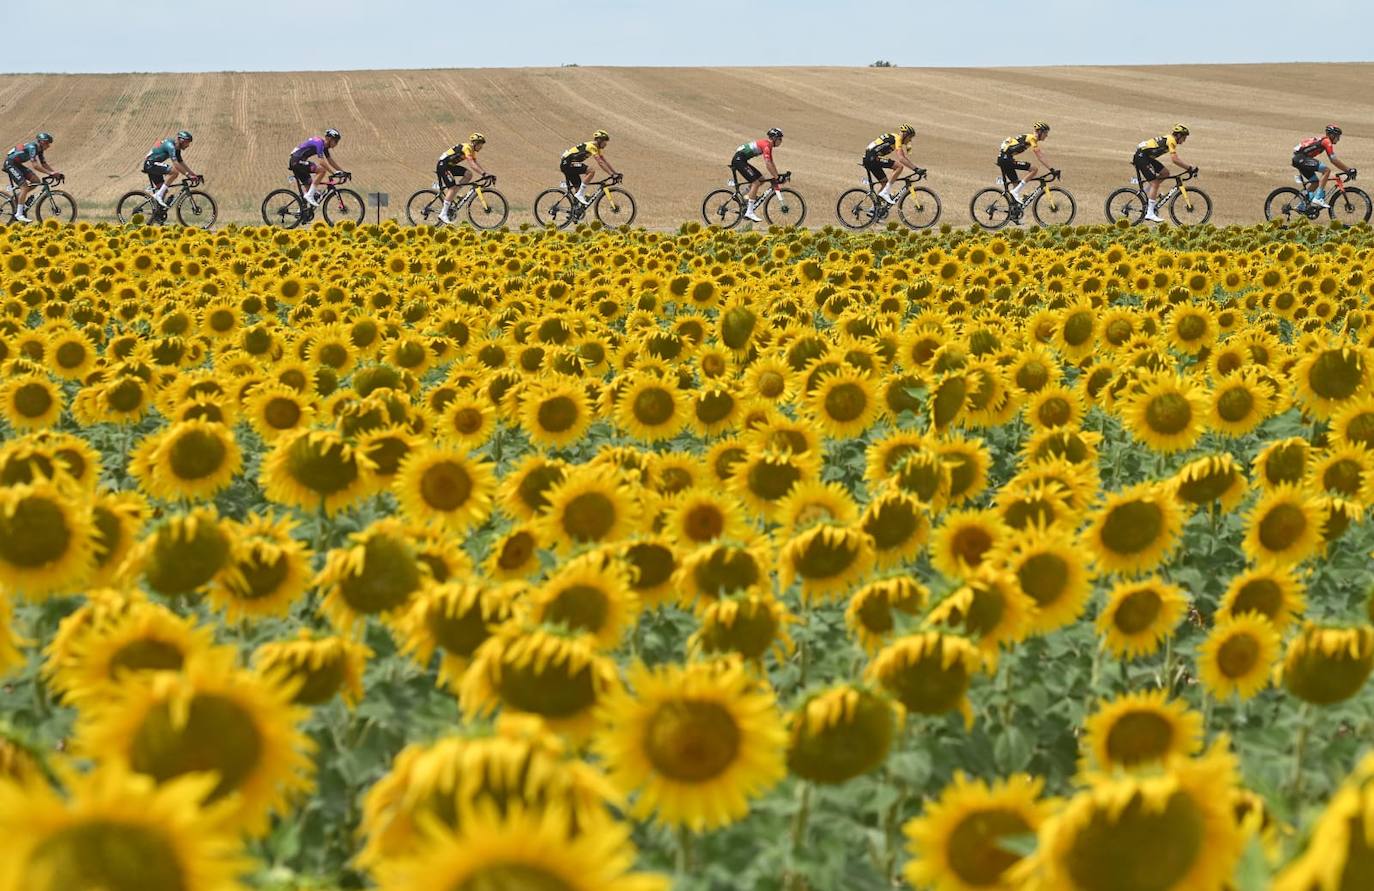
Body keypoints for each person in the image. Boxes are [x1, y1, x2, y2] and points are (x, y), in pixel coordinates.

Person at [1133, 124, 1194, 222]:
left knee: (1165, 173)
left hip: (1146, 157)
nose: (1184, 140)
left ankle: (1148, 191)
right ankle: (1150, 213)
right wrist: (1189, 168)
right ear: (1178, 136)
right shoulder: (1171, 141)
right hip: (1141, 156)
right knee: (1155, 183)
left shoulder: (1170, 139)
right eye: (1184, 137)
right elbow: (1175, 160)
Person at [1293, 124, 1353, 209]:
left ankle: (1302, 205)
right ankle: (1318, 198)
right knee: (1326, 170)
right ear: (1332, 135)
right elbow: (1333, 160)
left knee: (1315, 182)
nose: (1338, 139)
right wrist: (1348, 170)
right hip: (1301, 158)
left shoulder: (1323, 140)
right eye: (1337, 136)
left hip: (1299, 158)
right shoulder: (1326, 141)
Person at [4, 132, 60, 223]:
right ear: (41, 142)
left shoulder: (39, 150)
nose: (49, 146)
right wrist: (50, 173)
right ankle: (19, 214)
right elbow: (35, 165)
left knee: (36, 181)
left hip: (17, 164)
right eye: (47, 143)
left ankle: (19, 198)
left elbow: (44, 164)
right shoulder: (32, 147)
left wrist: (54, 173)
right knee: (24, 187)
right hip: (10, 164)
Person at [732, 127, 784, 222]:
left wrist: (778, 175)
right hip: (739, 160)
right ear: (775, 138)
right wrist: (776, 177)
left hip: (741, 159)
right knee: (756, 183)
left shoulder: (768, 145)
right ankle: (749, 212)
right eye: (780, 139)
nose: (781, 141)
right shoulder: (767, 146)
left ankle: (743, 195)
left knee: (760, 179)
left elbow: (771, 163)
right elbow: (768, 163)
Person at [437, 133, 489, 224]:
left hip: (450, 166)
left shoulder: (472, 151)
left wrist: (486, 174)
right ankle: (443, 214)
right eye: (481, 144)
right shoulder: (467, 148)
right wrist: (484, 174)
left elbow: (476, 164)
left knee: (468, 174)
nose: (482, 147)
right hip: (443, 165)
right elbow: (472, 164)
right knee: (452, 188)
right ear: (475, 143)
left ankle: (454, 192)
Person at [864, 124, 920, 205]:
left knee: (884, 184)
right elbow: (901, 158)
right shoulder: (897, 138)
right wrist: (916, 169)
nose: (910, 140)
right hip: (872, 158)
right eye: (910, 137)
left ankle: (874, 210)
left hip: (870, 158)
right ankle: (885, 193)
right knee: (899, 167)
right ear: (905, 134)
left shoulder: (894, 137)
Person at [289, 129, 346, 207]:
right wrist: (333, 173)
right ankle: (309, 196)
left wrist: (342, 172)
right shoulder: (319, 143)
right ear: (329, 139)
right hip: (297, 161)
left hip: (297, 162)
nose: (336, 144)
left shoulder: (324, 147)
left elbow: (330, 160)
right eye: (335, 141)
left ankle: (302, 212)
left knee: (309, 187)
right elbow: (321, 162)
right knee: (322, 170)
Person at [560, 130, 617, 206]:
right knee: (591, 171)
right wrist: (611, 174)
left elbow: (604, 161)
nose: (606, 144)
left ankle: (574, 213)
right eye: (605, 141)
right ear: (599, 140)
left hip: (569, 165)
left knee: (578, 188)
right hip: (567, 163)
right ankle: (580, 194)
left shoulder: (597, 148)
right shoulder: (591, 146)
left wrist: (615, 173)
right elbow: (600, 162)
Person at [998, 122, 1052, 202]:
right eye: (1045, 133)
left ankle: (1013, 209)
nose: (1046, 135)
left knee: (1015, 184)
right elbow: (1039, 155)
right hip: (1006, 159)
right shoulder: (1032, 138)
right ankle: (1015, 192)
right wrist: (1051, 169)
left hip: (1004, 159)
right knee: (1034, 169)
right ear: (1040, 132)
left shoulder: (1029, 137)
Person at [144, 131, 200, 208]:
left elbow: (181, 163)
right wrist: (188, 175)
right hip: (150, 164)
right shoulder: (170, 146)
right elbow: (176, 164)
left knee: (164, 190)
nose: (188, 145)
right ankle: (158, 195)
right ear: (181, 140)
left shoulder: (176, 148)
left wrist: (193, 174)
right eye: (187, 142)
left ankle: (157, 213)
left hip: (153, 164)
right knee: (174, 172)